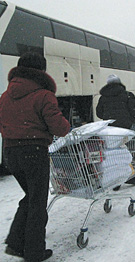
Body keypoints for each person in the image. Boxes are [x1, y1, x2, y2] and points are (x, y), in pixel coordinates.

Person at [0, 52, 70, 262]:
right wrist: (65, 125)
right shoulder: (43, 95)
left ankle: (15, 242)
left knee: (30, 197)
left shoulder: (5, 95)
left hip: (10, 153)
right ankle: (34, 252)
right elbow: (59, 127)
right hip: (33, 152)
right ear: (41, 71)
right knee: (37, 203)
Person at [96, 74, 135, 190]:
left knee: (113, 155)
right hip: (126, 129)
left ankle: (115, 180)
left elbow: (99, 114)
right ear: (120, 83)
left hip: (110, 131)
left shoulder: (103, 97)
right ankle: (131, 177)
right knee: (130, 152)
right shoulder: (127, 95)